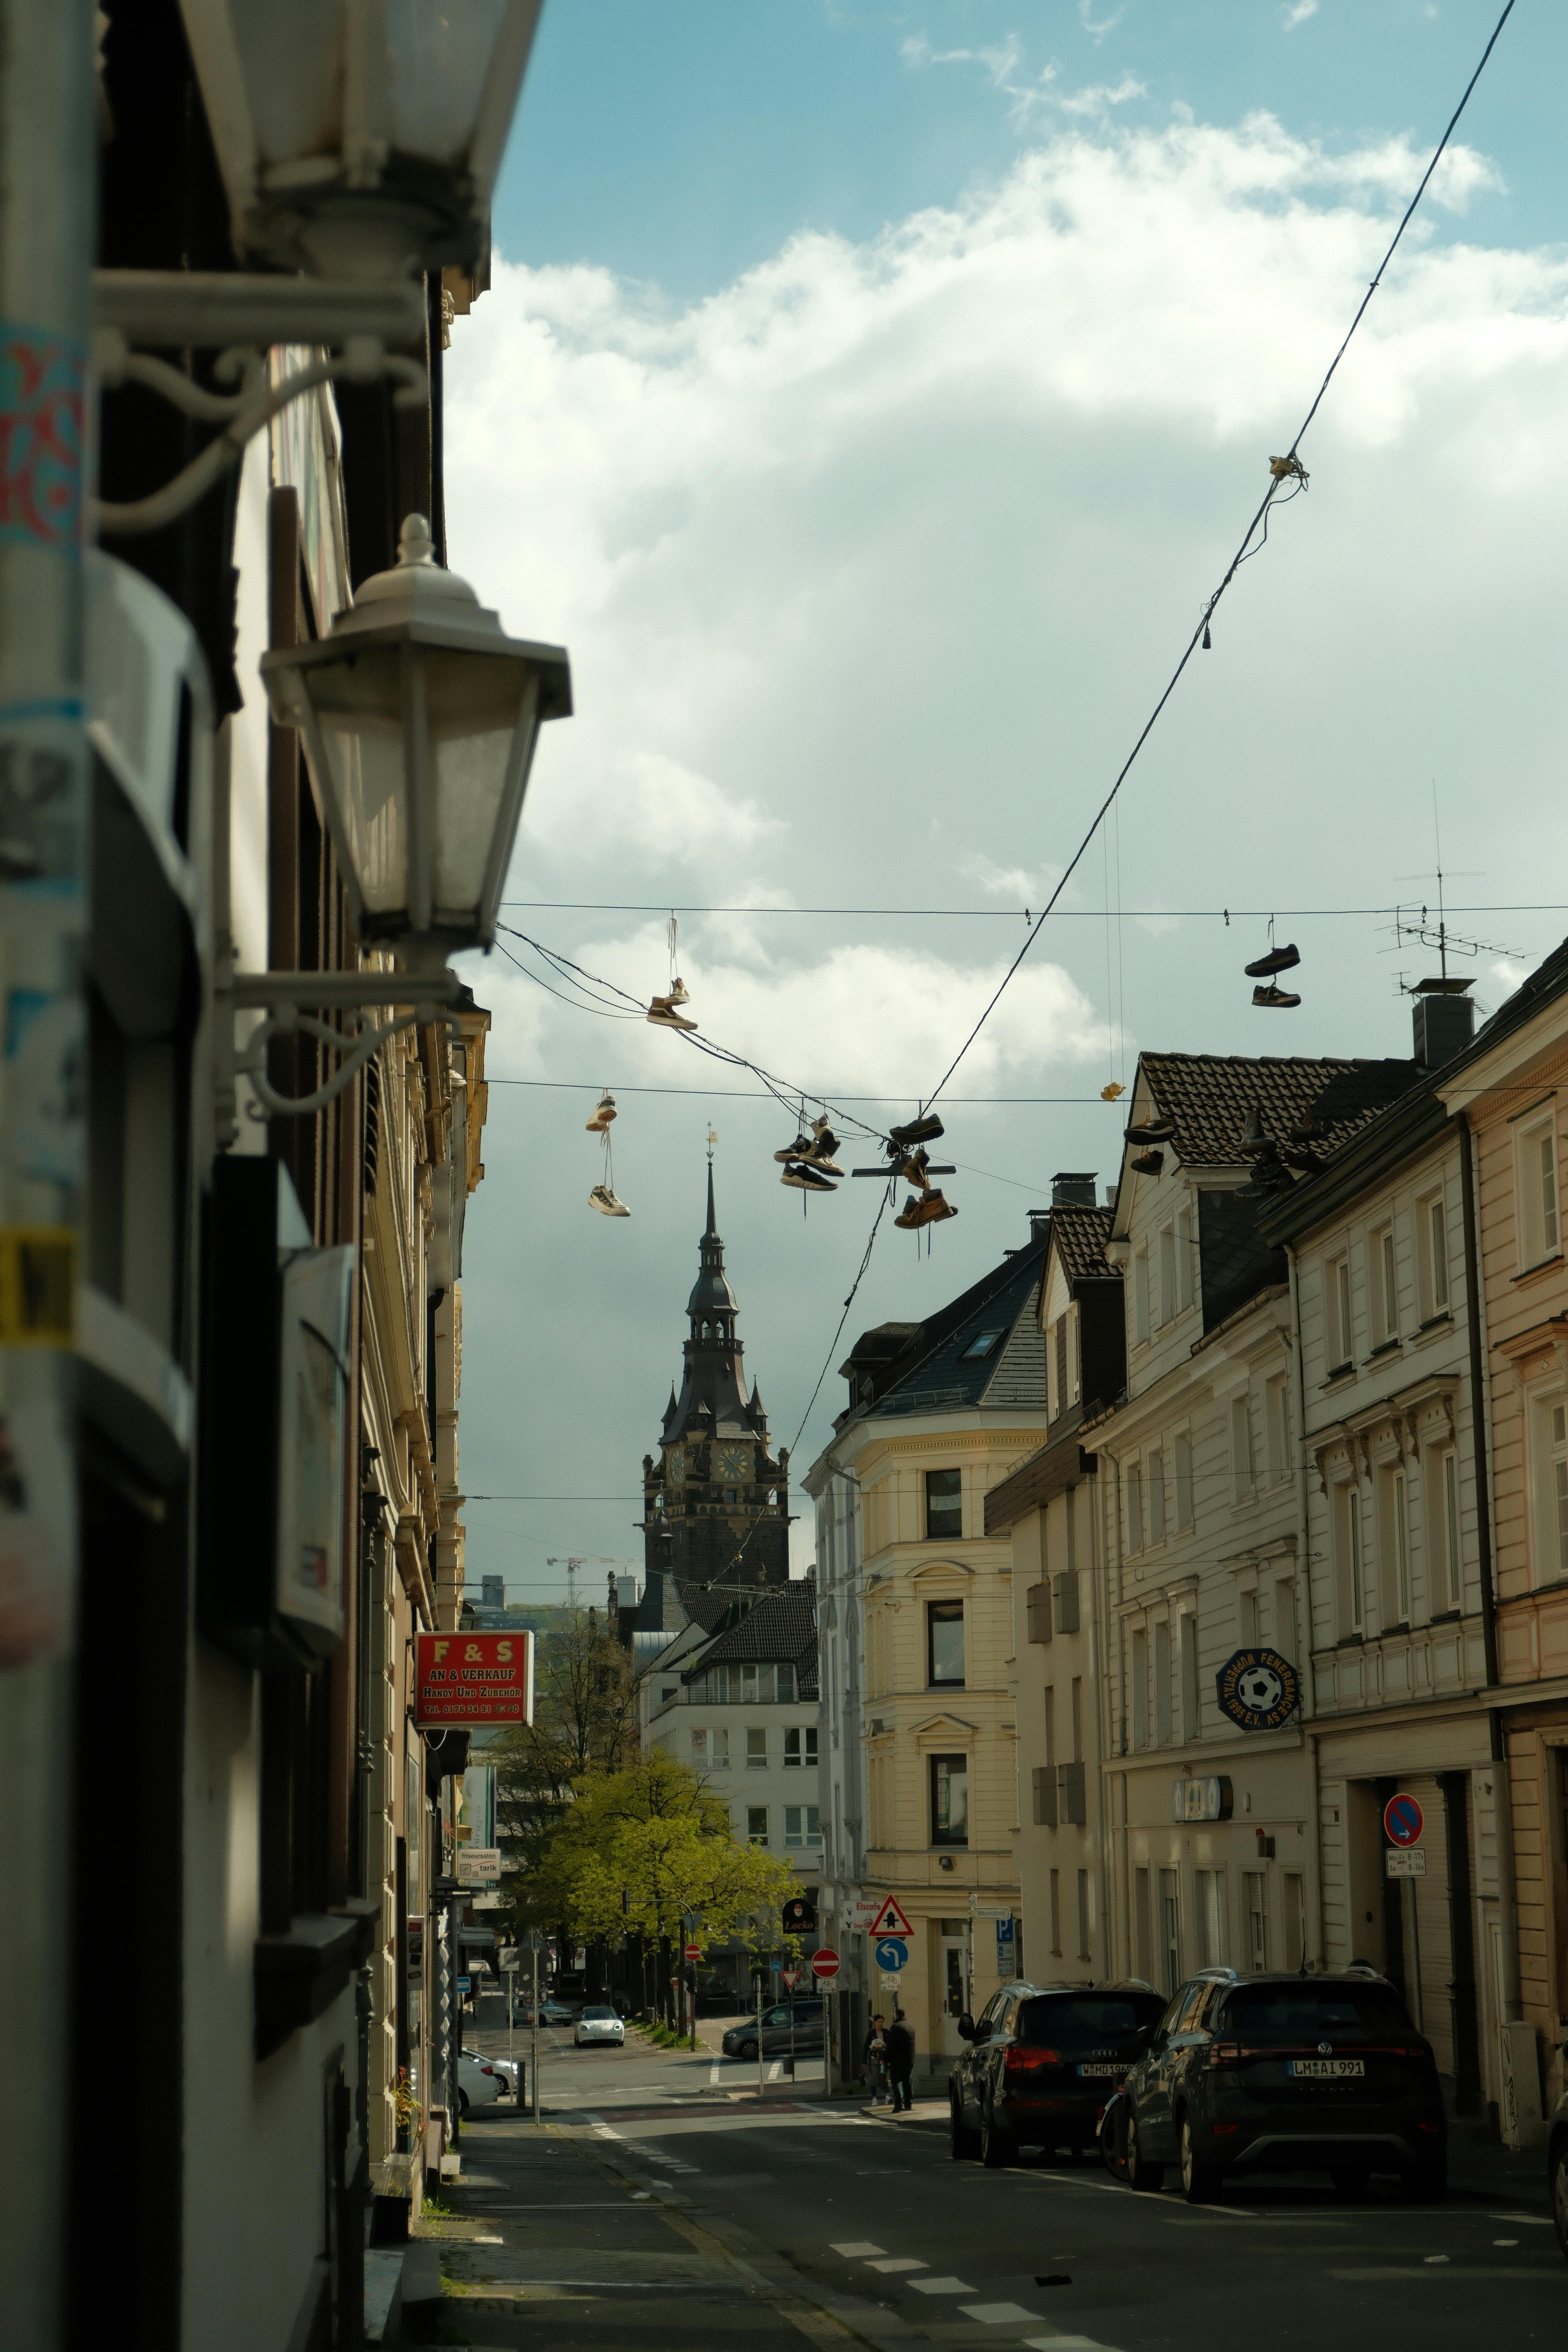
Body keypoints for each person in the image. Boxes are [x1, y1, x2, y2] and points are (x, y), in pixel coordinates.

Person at [886, 2010, 915, 2112]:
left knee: (896, 2082)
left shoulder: (896, 2027)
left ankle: (898, 2104)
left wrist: (886, 2059)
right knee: (908, 2082)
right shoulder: (910, 2027)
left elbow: (891, 2045)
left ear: (897, 2016)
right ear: (905, 2015)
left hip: (898, 2060)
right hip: (910, 2060)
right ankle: (909, 2104)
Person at [861, 2012, 889, 2105]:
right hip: (874, 2058)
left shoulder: (886, 2033)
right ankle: (874, 2098)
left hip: (883, 2058)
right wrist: (864, 2062)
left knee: (883, 2077)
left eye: (882, 2022)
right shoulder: (871, 2034)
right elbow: (866, 2047)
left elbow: (889, 2046)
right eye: (879, 2022)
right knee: (874, 2078)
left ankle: (887, 2095)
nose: (880, 2024)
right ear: (875, 2023)